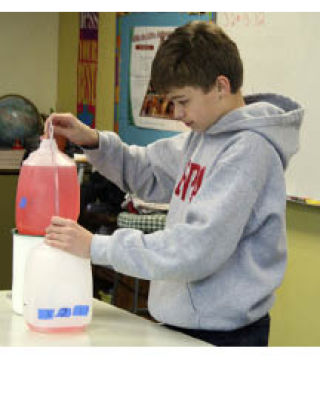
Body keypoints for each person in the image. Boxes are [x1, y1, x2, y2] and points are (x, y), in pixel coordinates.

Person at [44, 21, 304, 346]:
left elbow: (195, 249)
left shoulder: (249, 150)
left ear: (220, 86)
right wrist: (94, 141)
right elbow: (149, 171)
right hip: (184, 323)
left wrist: (97, 246)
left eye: (182, 101)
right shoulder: (203, 135)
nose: (177, 113)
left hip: (223, 336)